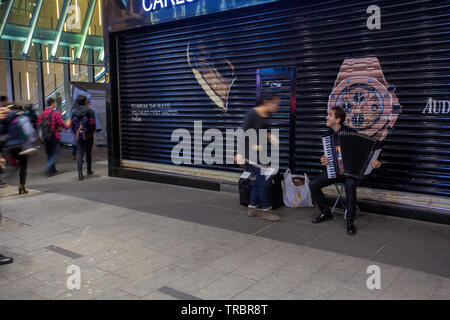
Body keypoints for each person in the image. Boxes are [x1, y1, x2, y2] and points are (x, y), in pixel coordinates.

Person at [309, 107, 382, 236]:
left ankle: (350, 221)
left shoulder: (352, 134)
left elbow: (369, 157)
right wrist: (324, 160)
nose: (326, 117)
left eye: (329, 115)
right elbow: (326, 157)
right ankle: (326, 212)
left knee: (350, 184)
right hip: (335, 171)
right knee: (313, 184)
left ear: (337, 120)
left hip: (350, 173)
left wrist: (375, 164)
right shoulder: (327, 136)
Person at [237, 94, 281, 222]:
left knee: (259, 180)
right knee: (263, 182)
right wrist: (239, 153)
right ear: (267, 102)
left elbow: (262, 131)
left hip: (259, 153)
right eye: (275, 103)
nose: (277, 106)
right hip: (249, 153)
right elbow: (242, 132)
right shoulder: (252, 113)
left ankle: (252, 207)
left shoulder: (266, 115)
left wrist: (269, 137)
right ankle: (266, 210)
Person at [0, 104, 31, 194]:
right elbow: (28, 131)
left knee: (15, 164)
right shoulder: (21, 117)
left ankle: (8, 175)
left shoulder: (6, 120)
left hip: (10, 147)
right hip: (20, 145)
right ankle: (22, 185)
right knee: (23, 166)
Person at [37, 98, 71, 176]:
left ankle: (53, 170)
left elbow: (38, 125)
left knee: (49, 154)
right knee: (56, 153)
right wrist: (67, 125)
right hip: (54, 136)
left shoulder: (41, 114)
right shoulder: (56, 113)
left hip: (45, 137)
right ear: (53, 103)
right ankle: (47, 167)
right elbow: (62, 124)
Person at [71, 95, 96, 180]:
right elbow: (93, 124)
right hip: (88, 135)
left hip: (79, 136)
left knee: (79, 153)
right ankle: (89, 170)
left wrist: (75, 133)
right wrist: (91, 133)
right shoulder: (90, 111)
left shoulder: (74, 112)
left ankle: (80, 174)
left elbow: (72, 124)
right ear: (85, 102)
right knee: (88, 153)